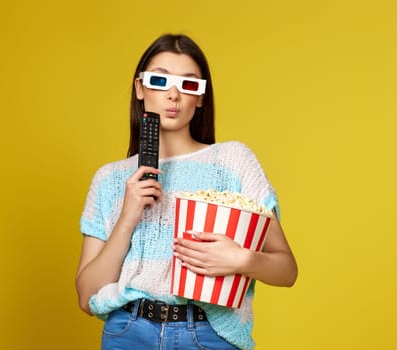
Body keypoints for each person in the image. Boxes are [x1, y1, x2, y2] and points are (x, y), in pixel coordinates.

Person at [75, 33, 297, 350]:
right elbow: (86, 296)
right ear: (140, 88)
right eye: (160, 80)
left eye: (189, 84)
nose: (174, 95)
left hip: (207, 334)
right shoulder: (109, 180)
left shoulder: (233, 162)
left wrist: (241, 259)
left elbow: (287, 270)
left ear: (202, 97)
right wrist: (127, 218)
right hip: (127, 332)